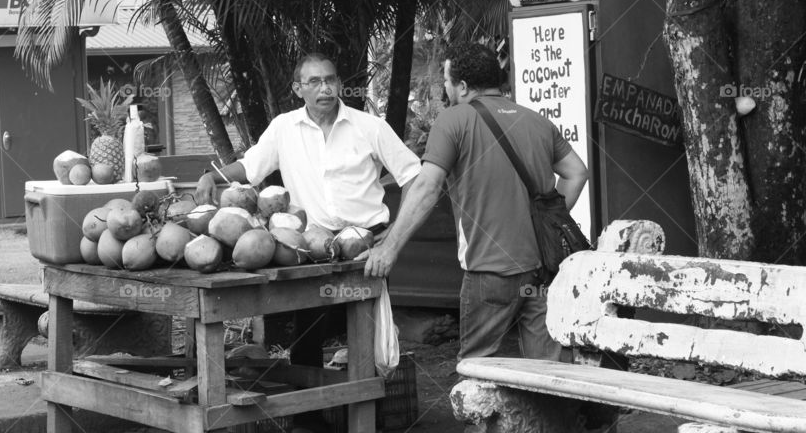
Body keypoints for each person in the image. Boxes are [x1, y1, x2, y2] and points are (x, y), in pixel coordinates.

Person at [194, 52, 420, 410]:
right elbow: (251, 167)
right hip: (311, 248)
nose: (325, 88)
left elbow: (415, 177)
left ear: (340, 84)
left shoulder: (369, 127)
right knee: (308, 332)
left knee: (369, 331)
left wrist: (391, 237)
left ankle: (369, 413)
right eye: (314, 82)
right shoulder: (284, 128)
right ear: (298, 88)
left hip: (365, 246)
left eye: (330, 79)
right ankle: (310, 417)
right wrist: (212, 175)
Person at [361, 42, 588, 361]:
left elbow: (426, 188)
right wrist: (548, 221)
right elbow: (577, 173)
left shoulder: (454, 120)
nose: (446, 88)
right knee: (546, 372)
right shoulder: (536, 121)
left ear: (463, 86)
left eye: (447, 81)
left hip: (488, 272)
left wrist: (389, 249)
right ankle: (556, 410)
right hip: (540, 270)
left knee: (478, 370)